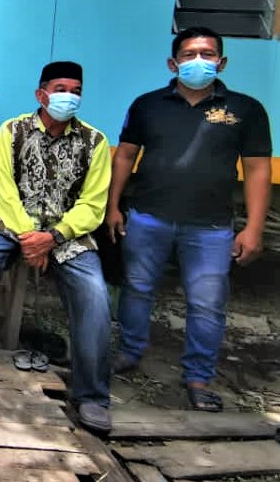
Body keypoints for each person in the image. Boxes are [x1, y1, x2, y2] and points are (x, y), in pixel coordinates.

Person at [106, 27, 271, 413]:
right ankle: (128, 351)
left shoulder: (246, 110)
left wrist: (254, 227)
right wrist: (113, 206)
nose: (198, 61)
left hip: (210, 227)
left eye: (207, 54)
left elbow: (257, 169)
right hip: (148, 217)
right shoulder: (147, 105)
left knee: (207, 303)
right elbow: (125, 156)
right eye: (189, 54)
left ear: (221, 62)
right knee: (137, 288)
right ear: (173, 63)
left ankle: (198, 376)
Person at [0, 61, 113, 436]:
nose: (69, 97)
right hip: (11, 226)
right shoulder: (13, 131)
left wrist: (53, 236)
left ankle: (92, 394)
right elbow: (4, 192)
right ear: (41, 94)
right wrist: (30, 238)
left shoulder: (95, 141)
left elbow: (93, 204)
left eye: (76, 91)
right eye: (61, 90)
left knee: (95, 295)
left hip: (68, 234)